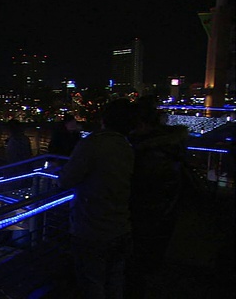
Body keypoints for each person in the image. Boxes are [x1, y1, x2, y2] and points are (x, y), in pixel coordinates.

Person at [58, 98, 135, 298]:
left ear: (103, 119)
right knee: (115, 281)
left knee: (92, 284)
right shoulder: (127, 146)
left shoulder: (92, 144)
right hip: (121, 225)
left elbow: (66, 180)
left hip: (91, 228)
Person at [126, 96, 189, 298]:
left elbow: (140, 190)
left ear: (142, 124)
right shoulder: (169, 146)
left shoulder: (148, 153)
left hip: (146, 220)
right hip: (164, 216)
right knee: (148, 267)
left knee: (137, 270)